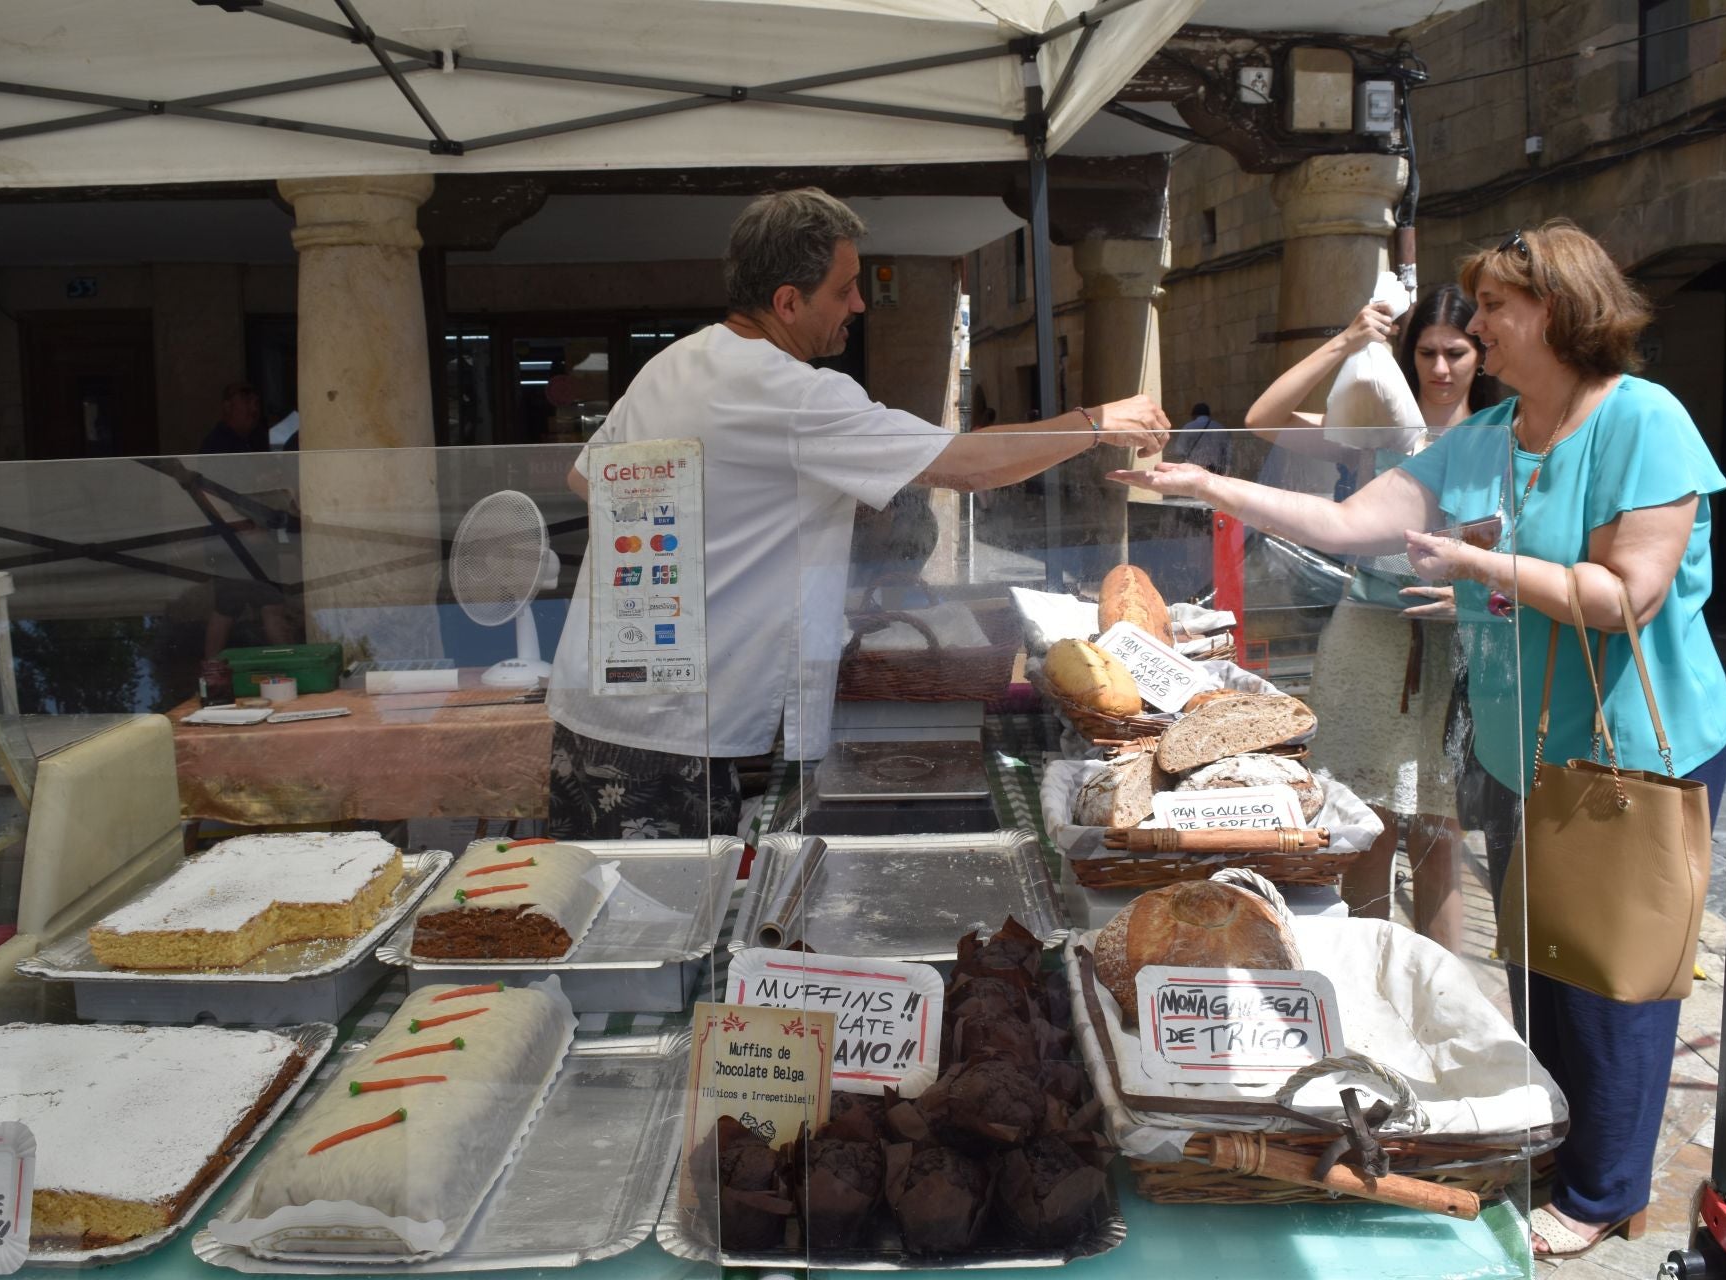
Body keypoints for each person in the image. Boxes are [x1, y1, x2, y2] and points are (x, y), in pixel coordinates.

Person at [1109, 219, 1726, 1260]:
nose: (1475, 325)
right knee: (1541, 962)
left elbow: (1630, 593)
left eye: (1494, 306)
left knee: (1613, 981)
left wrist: (1477, 568)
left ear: (1558, 309)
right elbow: (1350, 521)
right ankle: (1558, 1137)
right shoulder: (1487, 437)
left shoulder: (1644, 421)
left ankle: (1607, 1186)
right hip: (1518, 747)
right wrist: (1212, 484)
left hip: (1629, 751)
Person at [544, 188, 1169, 840]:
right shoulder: (791, 394)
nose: (861, 304)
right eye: (844, 290)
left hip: (594, 699)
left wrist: (728, 556)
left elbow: (588, 481)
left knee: (611, 924)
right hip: (666, 731)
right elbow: (966, 465)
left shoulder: (673, 364)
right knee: (674, 927)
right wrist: (1096, 423)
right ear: (788, 302)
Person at [1238, 285, 1498, 952]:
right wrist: (1348, 342)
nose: (1441, 369)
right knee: (1366, 831)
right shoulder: (1380, 429)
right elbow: (1262, 418)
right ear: (1409, 356)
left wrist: (1476, 596)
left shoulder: (1504, 436)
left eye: (1456, 353)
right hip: (1368, 640)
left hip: (1459, 650)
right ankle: (1371, 996)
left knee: (1441, 841)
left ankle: (1441, 1011)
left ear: (1481, 354)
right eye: (1428, 353)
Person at [199, 381, 293, 657]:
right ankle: (211, 674)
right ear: (228, 406)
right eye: (246, 402)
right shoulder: (218, 444)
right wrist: (244, 527)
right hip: (235, 542)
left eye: (256, 403)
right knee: (235, 608)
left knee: (262, 606)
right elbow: (207, 493)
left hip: (250, 541)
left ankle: (293, 666)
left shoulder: (247, 442)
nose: (253, 409)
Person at [1163, 401, 1232, 470]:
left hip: (1195, 469)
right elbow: (1227, 452)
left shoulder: (1188, 427)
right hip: (1216, 469)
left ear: (1194, 415)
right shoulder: (1220, 427)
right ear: (1209, 414)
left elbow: (1179, 450)